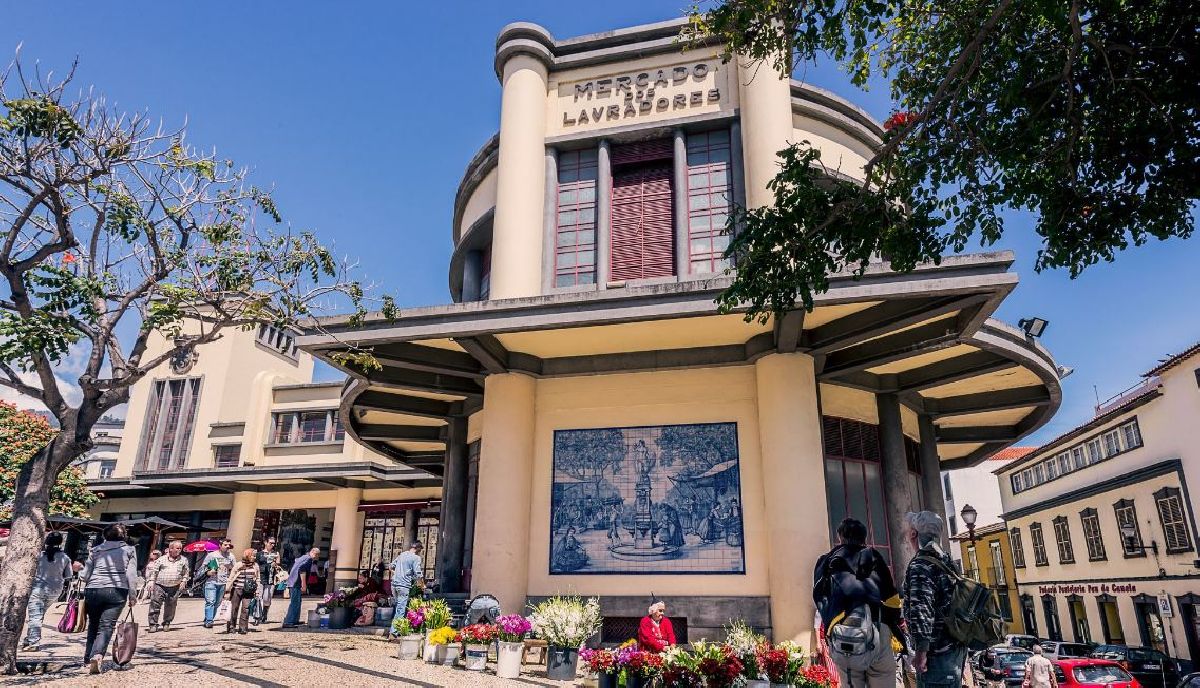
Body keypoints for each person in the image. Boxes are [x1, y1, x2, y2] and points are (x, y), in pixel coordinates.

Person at [813, 518, 904, 688]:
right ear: (864, 538)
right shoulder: (874, 557)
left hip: (845, 634)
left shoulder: (828, 561)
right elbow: (892, 599)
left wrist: (831, 627)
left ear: (840, 537)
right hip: (878, 627)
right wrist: (894, 625)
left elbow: (820, 598)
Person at [901, 511, 965, 688]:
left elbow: (922, 608)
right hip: (954, 650)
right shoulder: (945, 560)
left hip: (936, 655)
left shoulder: (920, 564)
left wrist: (922, 651)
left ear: (913, 534)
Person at [80, 524, 138, 674]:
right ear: (124, 536)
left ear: (105, 536)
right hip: (117, 589)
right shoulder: (129, 550)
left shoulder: (95, 550)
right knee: (106, 626)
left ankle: (87, 659)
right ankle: (98, 655)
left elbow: (85, 575)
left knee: (93, 624)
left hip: (93, 589)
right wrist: (133, 595)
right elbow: (131, 575)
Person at [21, 532, 72, 651]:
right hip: (55, 590)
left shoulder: (38, 556)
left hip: (38, 588)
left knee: (35, 616)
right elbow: (68, 576)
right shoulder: (65, 558)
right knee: (39, 615)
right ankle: (30, 639)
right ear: (60, 542)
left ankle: (33, 642)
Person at [146, 540, 190, 633]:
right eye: (177, 548)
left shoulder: (184, 560)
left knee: (171, 606)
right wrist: (151, 582)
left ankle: (166, 623)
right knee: (155, 604)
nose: (179, 550)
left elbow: (186, 572)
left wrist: (184, 581)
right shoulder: (161, 559)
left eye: (180, 548)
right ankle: (153, 624)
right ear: (170, 549)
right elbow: (154, 572)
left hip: (175, 586)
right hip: (160, 585)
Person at [200, 539, 235, 628]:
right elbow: (203, 567)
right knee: (210, 601)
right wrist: (208, 572)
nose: (227, 546)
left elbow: (234, 569)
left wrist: (230, 569)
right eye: (225, 545)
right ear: (220, 545)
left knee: (217, 603)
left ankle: (208, 618)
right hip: (211, 582)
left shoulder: (231, 556)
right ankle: (209, 621)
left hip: (223, 582)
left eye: (229, 545)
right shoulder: (212, 555)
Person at [224, 548, 260, 634]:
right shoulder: (238, 565)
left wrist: (257, 590)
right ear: (247, 555)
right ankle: (232, 626)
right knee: (234, 608)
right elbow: (231, 578)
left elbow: (258, 578)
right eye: (252, 555)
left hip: (249, 591)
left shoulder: (255, 565)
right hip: (237, 589)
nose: (254, 557)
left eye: (255, 556)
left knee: (246, 609)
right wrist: (227, 590)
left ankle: (243, 628)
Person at [282, 547, 321, 628]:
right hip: (296, 583)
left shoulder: (303, 557)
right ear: (314, 553)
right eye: (317, 555)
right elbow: (302, 570)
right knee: (295, 603)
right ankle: (289, 622)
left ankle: (294, 620)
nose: (317, 557)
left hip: (293, 581)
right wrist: (304, 585)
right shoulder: (308, 559)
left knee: (297, 602)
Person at [389, 541, 424, 617]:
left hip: (394, 584)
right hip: (403, 585)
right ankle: (395, 629)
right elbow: (418, 573)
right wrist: (422, 585)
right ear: (417, 548)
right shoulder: (416, 558)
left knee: (398, 607)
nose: (420, 552)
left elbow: (391, 566)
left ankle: (396, 626)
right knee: (400, 610)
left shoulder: (402, 554)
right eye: (420, 550)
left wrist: (396, 573)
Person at [253, 536, 283, 625]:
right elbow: (255, 564)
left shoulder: (276, 553)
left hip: (270, 578)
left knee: (267, 598)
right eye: (271, 543)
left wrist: (275, 564)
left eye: (274, 543)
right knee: (258, 597)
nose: (272, 545)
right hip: (260, 577)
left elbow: (278, 564)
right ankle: (257, 616)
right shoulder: (259, 554)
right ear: (265, 543)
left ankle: (265, 614)